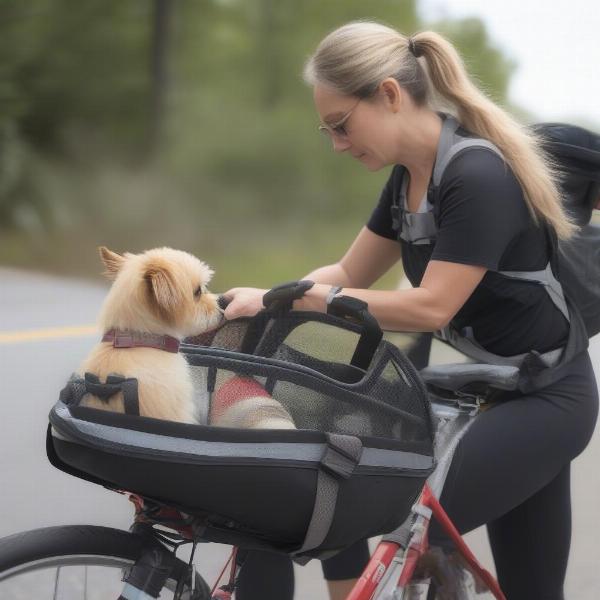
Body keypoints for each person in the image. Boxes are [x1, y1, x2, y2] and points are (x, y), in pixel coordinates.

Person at [223, 22, 599, 600]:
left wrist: (320, 300)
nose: (338, 144)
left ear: (390, 96)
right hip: (476, 389)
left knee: (422, 534)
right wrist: (265, 297)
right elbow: (349, 274)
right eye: (327, 131)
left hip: (544, 399)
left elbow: (430, 306)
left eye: (342, 125)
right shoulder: (406, 180)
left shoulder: (478, 174)